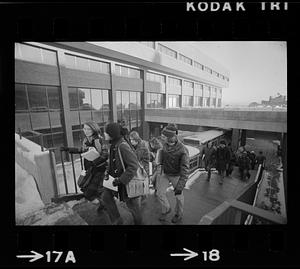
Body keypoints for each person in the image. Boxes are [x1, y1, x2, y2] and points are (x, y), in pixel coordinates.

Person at [101, 122, 143, 225]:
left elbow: (133, 165)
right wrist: (107, 171)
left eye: (106, 132)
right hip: (114, 180)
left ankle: (138, 223)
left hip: (125, 183)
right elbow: (113, 162)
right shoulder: (113, 144)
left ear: (112, 133)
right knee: (105, 197)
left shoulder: (122, 146)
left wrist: (121, 180)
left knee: (133, 208)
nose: (104, 134)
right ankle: (117, 220)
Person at [156, 123, 189, 223]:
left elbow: (185, 169)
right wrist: (160, 166)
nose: (164, 138)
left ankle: (178, 214)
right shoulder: (165, 145)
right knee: (159, 193)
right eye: (164, 137)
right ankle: (166, 209)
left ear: (174, 136)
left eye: (166, 136)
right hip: (165, 173)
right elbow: (162, 157)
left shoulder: (183, 150)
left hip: (176, 175)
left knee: (179, 197)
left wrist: (180, 186)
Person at [80, 121, 108, 204]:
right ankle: (104, 205)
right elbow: (82, 150)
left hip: (99, 169)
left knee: (90, 192)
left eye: (88, 129)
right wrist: (69, 149)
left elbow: (105, 154)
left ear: (93, 129)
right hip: (90, 168)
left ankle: (107, 205)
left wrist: (95, 162)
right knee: (90, 189)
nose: (86, 131)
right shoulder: (86, 140)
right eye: (84, 128)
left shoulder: (98, 140)